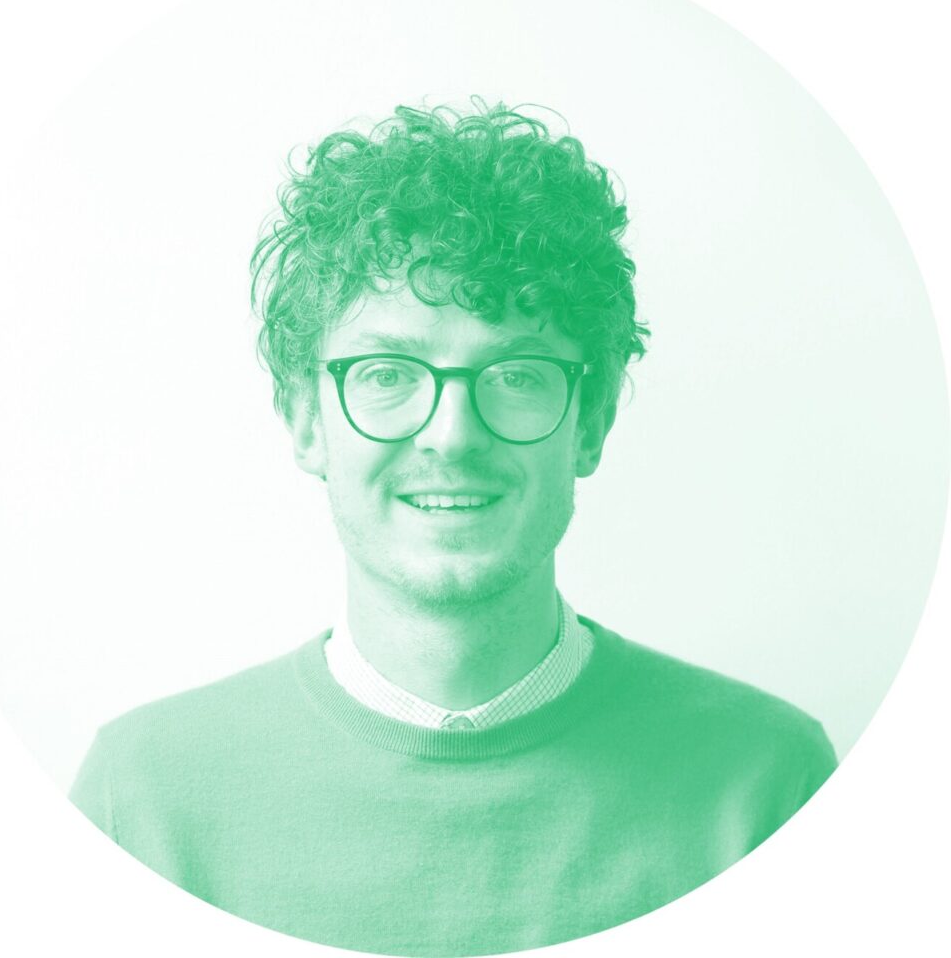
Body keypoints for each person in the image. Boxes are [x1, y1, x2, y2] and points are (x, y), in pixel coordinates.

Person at [70, 100, 837, 957]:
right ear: (305, 420)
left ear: (591, 422)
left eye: (516, 374)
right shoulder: (141, 805)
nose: (452, 434)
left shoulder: (769, 791)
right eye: (388, 373)